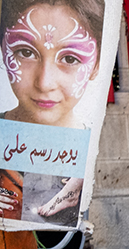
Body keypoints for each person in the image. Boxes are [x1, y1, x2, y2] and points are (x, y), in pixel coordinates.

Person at [1, 0, 103, 218]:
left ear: (96, 65)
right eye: (25, 53)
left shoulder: (97, 143)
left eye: (69, 58)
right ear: (3, 49)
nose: (45, 83)